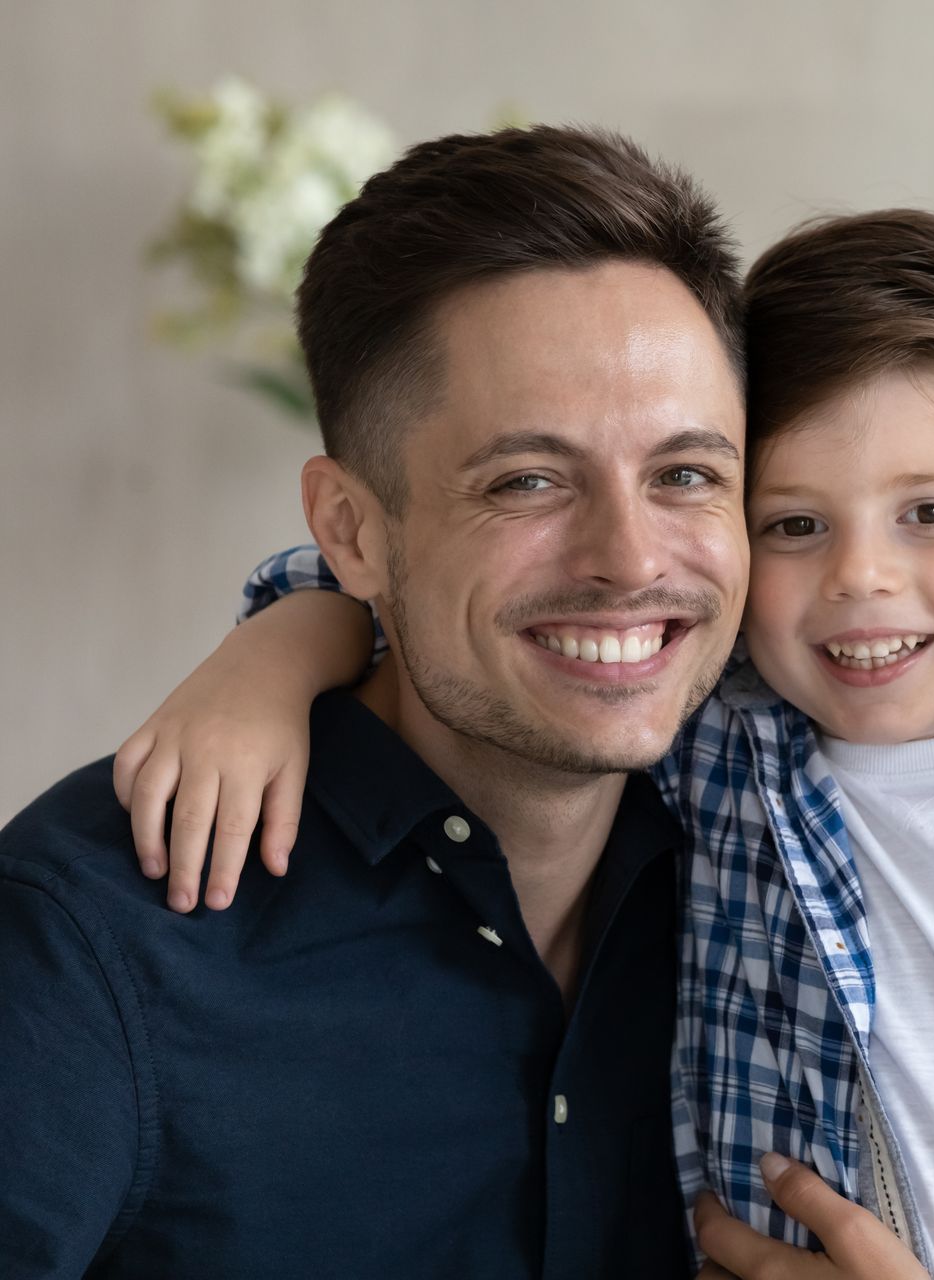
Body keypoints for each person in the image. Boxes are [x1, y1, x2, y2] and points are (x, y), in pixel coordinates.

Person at [109, 211, 934, 1278]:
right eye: (791, 523)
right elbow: (434, 592)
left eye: (932, 512)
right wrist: (272, 654)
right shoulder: (718, 733)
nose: (861, 575)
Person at [0, 125, 750, 1275]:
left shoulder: (774, 882)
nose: (629, 555)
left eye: (686, 473)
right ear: (349, 528)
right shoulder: (92, 931)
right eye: (528, 480)